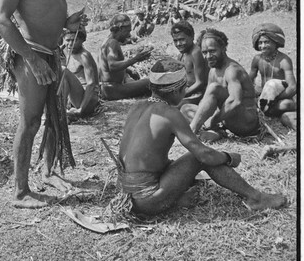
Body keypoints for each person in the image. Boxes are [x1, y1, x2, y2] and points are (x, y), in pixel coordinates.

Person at [0, 0, 87, 208]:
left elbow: (49, 13)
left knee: (54, 116)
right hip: (31, 55)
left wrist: (67, 22)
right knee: (30, 120)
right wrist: (32, 60)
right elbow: (2, 21)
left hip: (52, 52)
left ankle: (48, 172)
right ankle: (20, 192)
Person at [117, 57, 286, 216]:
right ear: (177, 90)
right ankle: (256, 198)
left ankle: (175, 199)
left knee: (191, 167)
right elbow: (204, 155)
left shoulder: (136, 107)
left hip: (127, 196)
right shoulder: (169, 113)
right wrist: (227, 157)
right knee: (199, 158)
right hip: (147, 199)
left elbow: (144, 159)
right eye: (185, 87)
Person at [184, 29, 260, 142]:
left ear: (223, 48)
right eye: (204, 52)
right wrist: (206, 117)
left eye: (212, 51)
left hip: (245, 123)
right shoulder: (213, 71)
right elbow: (207, 100)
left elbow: (235, 101)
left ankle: (193, 131)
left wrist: (213, 120)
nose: (208, 56)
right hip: (227, 119)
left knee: (213, 88)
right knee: (186, 108)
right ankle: (217, 132)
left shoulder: (232, 70)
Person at [250, 23, 297, 130]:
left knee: (286, 104)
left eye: (266, 42)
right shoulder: (257, 59)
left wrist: (274, 99)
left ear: (276, 43)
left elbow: (293, 87)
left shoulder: (284, 60)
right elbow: (249, 80)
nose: (262, 45)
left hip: (281, 97)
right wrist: (251, 95)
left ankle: (266, 109)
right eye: (260, 42)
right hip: (264, 97)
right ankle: (265, 108)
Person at [98, 13, 153, 100]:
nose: (129, 35)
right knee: (151, 82)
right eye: (127, 31)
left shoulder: (106, 41)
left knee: (138, 81)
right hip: (113, 90)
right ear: (120, 29)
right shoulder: (113, 43)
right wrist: (135, 59)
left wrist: (128, 70)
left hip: (108, 88)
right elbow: (112, 66)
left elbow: (108, 68)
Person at [61, 27, 100, 122]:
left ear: (82, 40)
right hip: (74, 98)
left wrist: (81, 110)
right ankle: (62, 109)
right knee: (60, 73)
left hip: (87, 100)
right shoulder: (66, 51)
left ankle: (61, 112)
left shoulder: (84, 56)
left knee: (63, 71)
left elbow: (91, 84)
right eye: (68, 40)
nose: (70, 44)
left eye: (75, 40)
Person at [171, 21, 209, 107]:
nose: (178, 44)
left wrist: (182, 95)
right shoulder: (182, 54)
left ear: (192, 36)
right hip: (186, 90)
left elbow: (200, 82)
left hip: (197, 93)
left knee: (174, 108)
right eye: (175, 40)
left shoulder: (195, 53)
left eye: (182, 39)